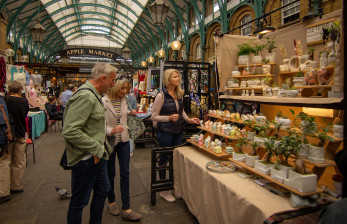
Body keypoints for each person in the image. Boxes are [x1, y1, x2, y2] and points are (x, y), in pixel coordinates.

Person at [62, 62, 117, 224]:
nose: (114, 84)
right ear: (104, 78)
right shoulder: (86, 96)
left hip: (96, 157)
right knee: (79, 202)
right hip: (85, 159)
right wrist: (96, 148)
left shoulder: (94, 95)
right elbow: (70, 131)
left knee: (103, 190)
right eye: (113, 80)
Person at [152, 69, 200, 203]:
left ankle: (173, 186)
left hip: (178, 131)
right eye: (175, 76)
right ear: (168, 80)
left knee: (175, 159)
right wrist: (168, 118)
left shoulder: (178, 94)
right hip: (166, 132)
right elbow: (153, 116)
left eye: (178, 76)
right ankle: (163, 189)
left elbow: (181, 111)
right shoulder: (161, 95)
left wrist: (188, 119)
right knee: (164, 160)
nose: (178, 78)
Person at [102, 74, 142, 221]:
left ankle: (127, 208)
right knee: (110, 173)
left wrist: (130, 112)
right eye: (122, 88)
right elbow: (98, 125)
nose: (125, 91)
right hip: (111, 141)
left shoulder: (125, 100)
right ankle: (111, 202)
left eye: (127, 88)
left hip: (124, 140)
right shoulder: (103, 101)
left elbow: (122, 116)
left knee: (125, 173)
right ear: (115, 87)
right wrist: (110, 130)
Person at [0, 81, 29, 204]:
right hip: (20, 132)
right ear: (20, 90)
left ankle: (3, 191)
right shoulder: (23, 101)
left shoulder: (5, 100)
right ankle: (17, 185)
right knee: (19, 160)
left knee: (5, 160)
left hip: (8, 133)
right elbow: (25, 115)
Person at [127, 86, 137, 157]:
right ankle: (130, 150)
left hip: (126, 119)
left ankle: (130, 150)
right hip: (130, 119)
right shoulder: (133, 98)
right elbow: (135, 109)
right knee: (130, 135)